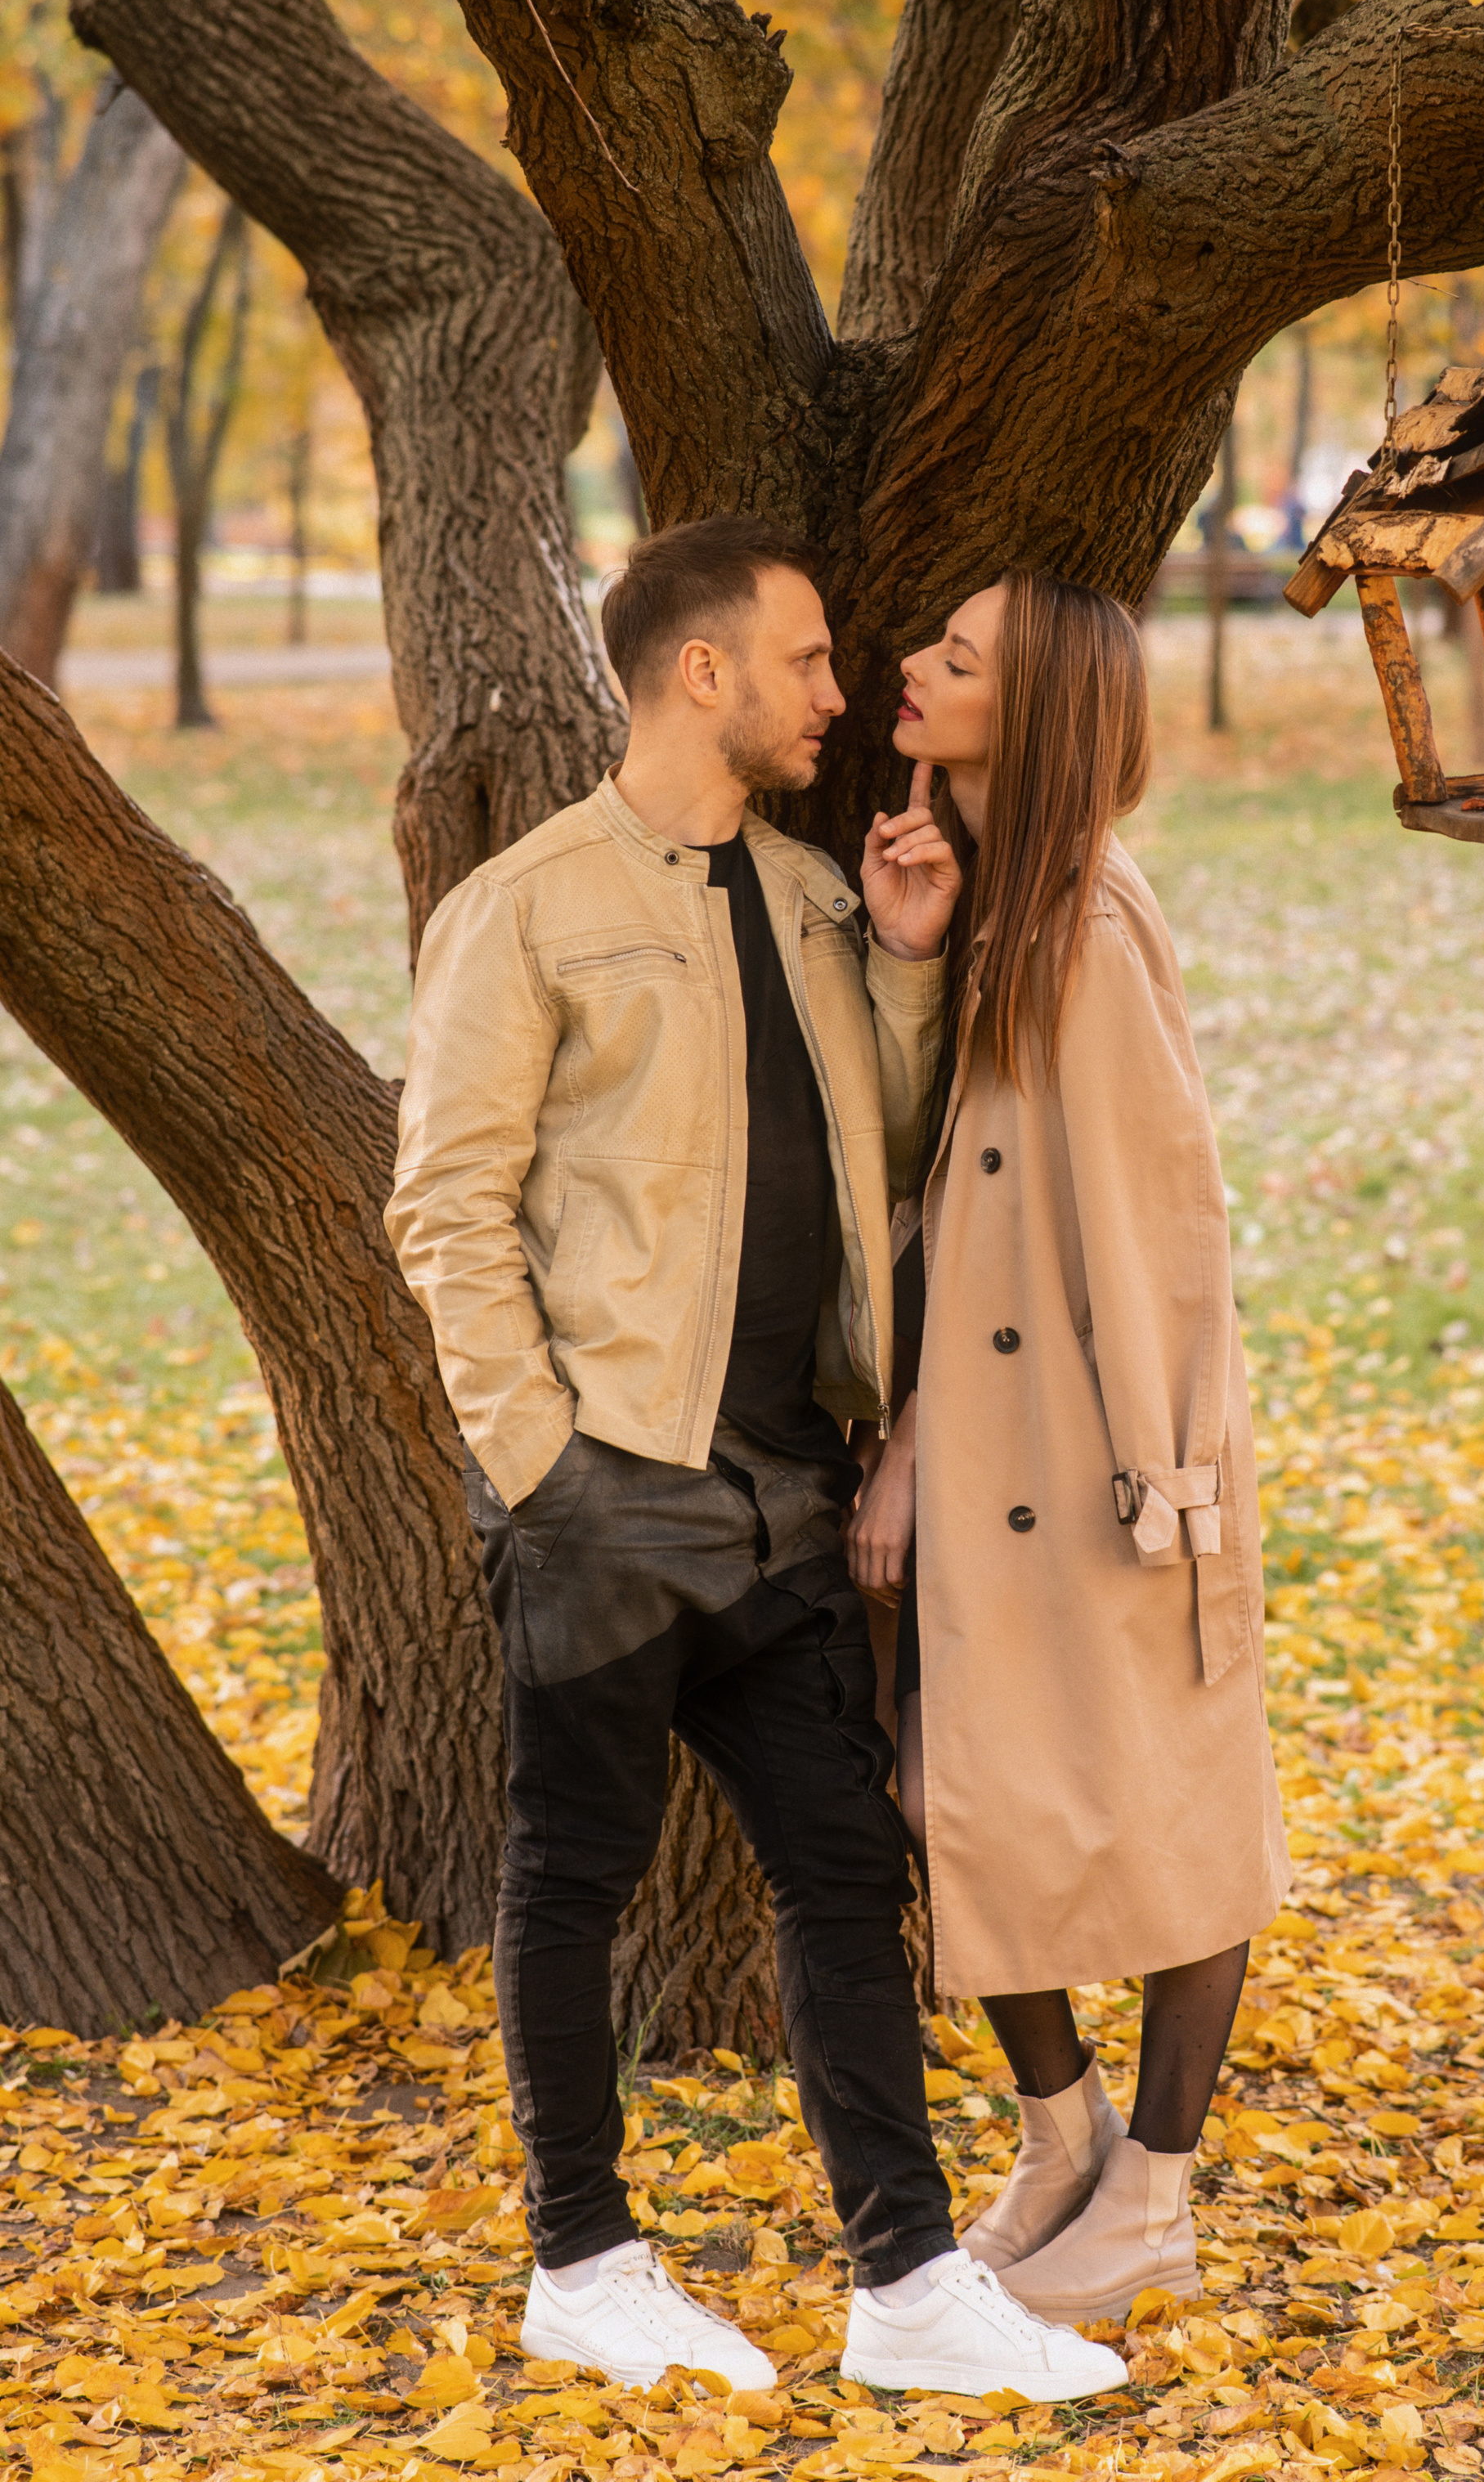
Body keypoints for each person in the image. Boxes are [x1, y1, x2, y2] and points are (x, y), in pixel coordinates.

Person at [386, 517, 1125, 2405]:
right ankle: (581, 2255)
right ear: (698, 673)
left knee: (841, 1863)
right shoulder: (529, 906)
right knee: (572, 1875)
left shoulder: (811, 895)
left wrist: (894, 962)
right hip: (611, 1485)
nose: (833, 693)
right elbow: (447, 1206)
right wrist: (543, 1458)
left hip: (792, 1482)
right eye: (802, 662)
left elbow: (882, 1148)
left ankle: (902, 2277)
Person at [850, 569, 1290, 2327]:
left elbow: (1157, 1228)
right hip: (985, 1451)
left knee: (1179, 1806)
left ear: (1021, 717)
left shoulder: (1088, 927)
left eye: (952, 661)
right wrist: (908, 950)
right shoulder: (992, 900)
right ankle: (1063, 2139)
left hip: (1102, 1459)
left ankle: (1153, 2198)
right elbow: (932, 1201)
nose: (908, 668)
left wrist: (1173, 1488)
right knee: (939, 1782)